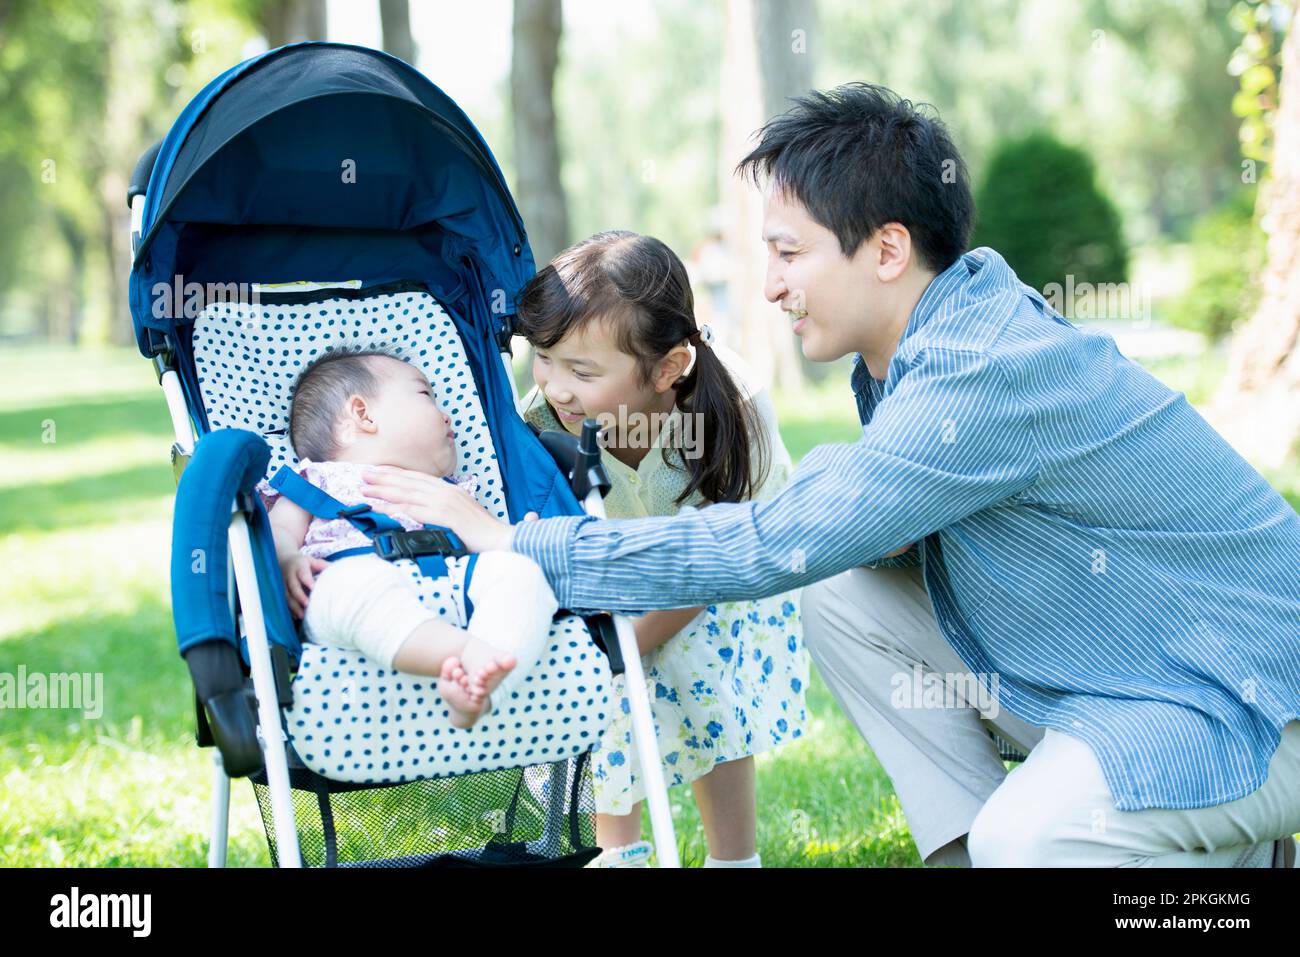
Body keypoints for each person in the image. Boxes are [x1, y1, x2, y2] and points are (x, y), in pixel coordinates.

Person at [359, 83, 1300, 868]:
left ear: (887, 249)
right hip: (1128, 669)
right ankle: (972, 852)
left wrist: (515, 542)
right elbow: (856, 535)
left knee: (1036, 835)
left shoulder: (985, 368)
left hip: (1245, 697)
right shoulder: (919, 351)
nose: (768, 284)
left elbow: (770, 540)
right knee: (848, 593)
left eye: (788, 252)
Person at [515, 230, 806, 868]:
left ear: (668, 368)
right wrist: (601, 650)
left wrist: (626, 645)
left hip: (728, 584)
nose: (556, 388)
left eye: (582, 371)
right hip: (609, 589)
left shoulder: (732, 409)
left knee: (701, 671)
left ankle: (735, 857)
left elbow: (725, 567)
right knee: (602, 692)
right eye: (544, 357)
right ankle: (617, 853)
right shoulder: (539, 422)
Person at [259, 348, 558, 729]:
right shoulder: (316, 478)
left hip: (449, 582)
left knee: (523, 574)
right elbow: (279, 528)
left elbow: (482, 539)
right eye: (425, 395)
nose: (447, 413)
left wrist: (515, 541)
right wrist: (285, 559)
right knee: (350, 586)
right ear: (363, 415)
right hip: (346, 582)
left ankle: (479, 692)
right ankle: (468, 655)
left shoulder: (449, 492)